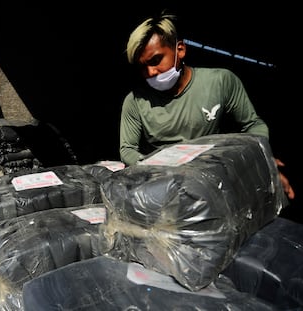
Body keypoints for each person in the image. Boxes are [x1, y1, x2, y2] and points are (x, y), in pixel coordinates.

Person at [119, 10, 295, 200]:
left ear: (180, 50)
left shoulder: (221, 81)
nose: (150, 72)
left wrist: (263, 161)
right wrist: (155, 168)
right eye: (143, 67)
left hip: (213, 183)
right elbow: (127, 149)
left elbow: (254, 125)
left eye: (156, 60)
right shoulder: (134, 101)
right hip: (164, 187)